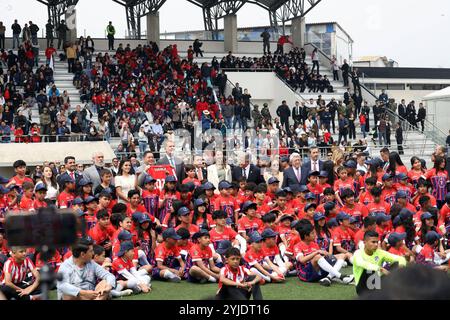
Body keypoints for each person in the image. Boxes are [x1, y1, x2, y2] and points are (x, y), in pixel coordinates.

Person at [352, 230, 406, 296]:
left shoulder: (379, 253)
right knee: (370, 270)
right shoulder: (358, 253)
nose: (376, 244)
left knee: (396, 264)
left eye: (377, 242)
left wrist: (400, 268)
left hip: (377, 283)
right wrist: (380, 269)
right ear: (365, 242)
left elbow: (401, 258)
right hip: (362, 289)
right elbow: (362, 263)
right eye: (373, 242)